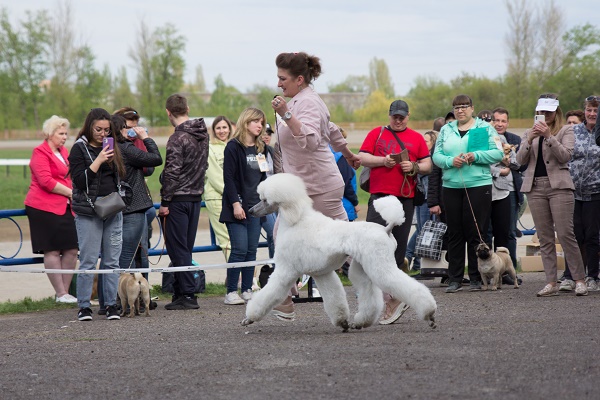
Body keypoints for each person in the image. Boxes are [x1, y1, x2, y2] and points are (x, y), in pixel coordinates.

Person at [270, 51, 361, 319]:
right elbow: (331, 130)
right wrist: (347, 153)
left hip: (318, 186)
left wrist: (286, 114)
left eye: (282, 78)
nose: (278, 83)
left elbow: (310, 140)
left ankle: (391, 295)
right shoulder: (299, 100)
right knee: (283, 236)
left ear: (299, 79)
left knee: (347, 245)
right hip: (304, 188)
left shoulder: (307, 103)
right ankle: (285, 298)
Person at [359, 99, 432, 323]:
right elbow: (361, 157)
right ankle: (378, 299)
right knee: (371, 249)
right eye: (394, 116)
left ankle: (395, 298)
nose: (398, 120)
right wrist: (383, 161)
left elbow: (428, 163)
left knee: (398, 251)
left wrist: (415, 167)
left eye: (402, 116)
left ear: (408, 116)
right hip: (379, 198)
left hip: (404, 199)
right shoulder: (377, 133)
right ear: (389, 116)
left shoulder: (417, 138)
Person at [516, 93, 588, 297]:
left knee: (565, 234)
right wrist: (529, 139)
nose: (544, 114)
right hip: (535, 187)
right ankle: (551, 282)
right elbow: (520, 160)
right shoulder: (529, 132)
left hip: (559, 186)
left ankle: (579, 279)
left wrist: (548, 136)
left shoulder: (566, 130)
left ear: (556, 112)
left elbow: (565, 156)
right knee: (545, 237)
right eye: (541, 111)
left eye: (548, 111)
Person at [432, 94, 503, 294]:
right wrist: (449, 161)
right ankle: (454, 278)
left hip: (479, 184)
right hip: (452, 186)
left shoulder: (485, 128)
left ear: (472, 108)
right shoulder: (446, 130)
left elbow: (498, 153)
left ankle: (475, 276)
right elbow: (436, 156)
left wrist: (476, 155)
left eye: (464, 106)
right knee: (454, 232)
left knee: (476, 231)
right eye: (456, 107)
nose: (460, 110)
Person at [98, 114, 161, 313]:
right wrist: (145, 138)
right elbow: (156, 159)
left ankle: (106, 302)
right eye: (125, 127)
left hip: (115, 207)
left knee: (110, 257)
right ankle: (116, 303)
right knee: (125, 258)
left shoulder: (107, 148)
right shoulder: (126, 148)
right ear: (120, 130)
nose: (129, 130)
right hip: (134, 208)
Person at [69, 108, 127, 321]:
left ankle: (111, 304)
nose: (103, 134)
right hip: (88, 212)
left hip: (112, 209)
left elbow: (120, 175)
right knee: (88, 260)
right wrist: (99, 160)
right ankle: (84, 305)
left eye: (107, 130)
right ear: (89, 126)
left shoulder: (112, 146)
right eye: (98, 129)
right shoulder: (79, 149)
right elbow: (80, 182)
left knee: (112, 260)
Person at [159, 94, 209, 310]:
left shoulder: (177, 139)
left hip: (178, 199)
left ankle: (188, 294)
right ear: (187, 108)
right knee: (185, 247)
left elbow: (172, 172)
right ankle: (180, 292)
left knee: (177, 247)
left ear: (168, 112)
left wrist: (164, 201)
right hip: (196, 197)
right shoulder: (202, 135)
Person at [24, 115, 78, 304]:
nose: (65, 137)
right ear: (50, 133)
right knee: (52, 250)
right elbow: (46, 182)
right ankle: (61, 292)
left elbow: (68, 175)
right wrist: (72, 193)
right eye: (61, 133)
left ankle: (64, 293)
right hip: (43, 207)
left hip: (65, 207)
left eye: (66, 133)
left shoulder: (63, 151)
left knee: (72, 249)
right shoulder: (39, 152)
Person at [220, 108, 268, 305]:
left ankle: (247, 289)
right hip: (237, 206)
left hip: (256, 207)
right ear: (246, 122)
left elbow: (264, 175)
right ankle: (231, 291)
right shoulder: (233, 147)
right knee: (239, 249)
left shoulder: (260, 148)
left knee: (251, 250)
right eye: (256, 121)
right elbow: (228, 178)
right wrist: (235, 204)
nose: (260, 125)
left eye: (262, 122)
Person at [560, 95, 600, 292]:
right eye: (589, 109)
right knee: (573, 235)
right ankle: (570, 276)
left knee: (592, 235)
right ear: (584, 111)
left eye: (596, 110)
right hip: (573, 191)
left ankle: (593, 276)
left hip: (595, 192)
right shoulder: (573, 131)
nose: (592, 113)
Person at [114, 107, 157, 263]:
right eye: (128, 127)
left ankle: (142, 283)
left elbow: (150, 168)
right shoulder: (117, 145)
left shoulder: (137, 142)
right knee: (123, 251)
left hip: (138, 200)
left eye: (135, 127)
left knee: (142, 245)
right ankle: (125, 285)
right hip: (120, 203)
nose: (132, 131)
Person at [491, 107, 524, 277]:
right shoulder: (488, 139)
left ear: (507, 123)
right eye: (496, 120)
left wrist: (507, 160)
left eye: (503, 121)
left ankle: (511, 271)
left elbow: (520, 165)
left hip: (511, 191)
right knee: (489, 232)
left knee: (509, 232)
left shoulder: (515, 140)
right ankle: (492, 269)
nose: (499, 124)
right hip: (490, 190)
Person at [406, 130, 438, 274]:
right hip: (420, 198)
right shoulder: (420, 159)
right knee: (420, 230)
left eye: (426, 141)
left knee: (424, 231)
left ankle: (417, 262)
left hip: (428, 199)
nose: (423, 144)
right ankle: (416, 264)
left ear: (433, 143)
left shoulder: (432, 160)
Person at [204, 116, 233, 260]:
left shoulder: (235, 145)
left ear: (230, 129)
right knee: (226, 240)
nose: (222, 131)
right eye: (218, 128)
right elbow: (215, 177)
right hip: (217, 197)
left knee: (241, 240)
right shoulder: (209, 148)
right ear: (213, 131)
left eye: (224, 127)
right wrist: (234, 196)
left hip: (236, 199)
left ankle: (249, 278)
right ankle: (237, 278)